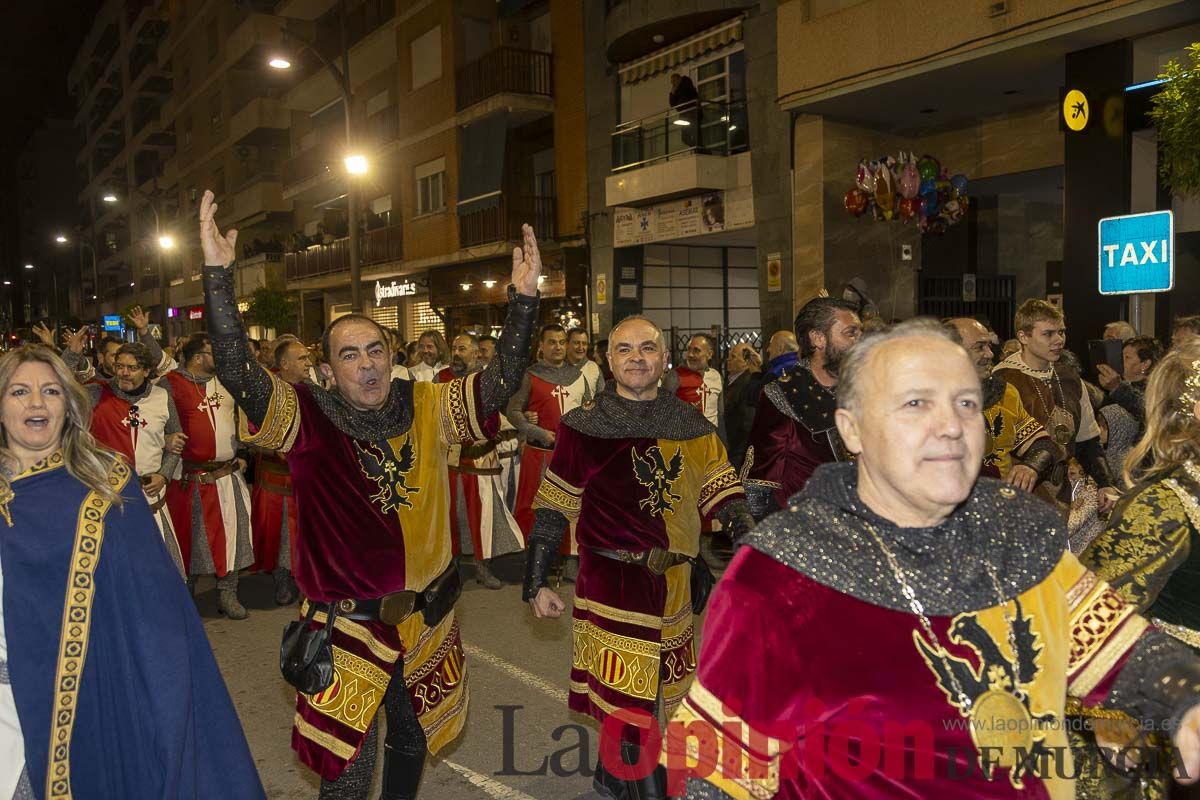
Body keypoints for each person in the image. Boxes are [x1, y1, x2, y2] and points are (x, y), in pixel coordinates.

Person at [669, 319, 1200, 799]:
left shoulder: (1014, 536)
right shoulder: (777, 577)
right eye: (915, 403)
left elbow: (1115, 647)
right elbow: (714, 775)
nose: (951, 426)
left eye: (966, 403)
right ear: (852, 428)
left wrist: (1186, 704)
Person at [197, 190, 541, 799]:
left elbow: (499, 386)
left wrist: (523, 303)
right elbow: (237, 370)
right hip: (347, 628)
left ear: (392, 355)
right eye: (349, 355)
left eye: (375, 350)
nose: (367, 366)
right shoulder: (305, 416)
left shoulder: (432, 404)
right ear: (328, 370)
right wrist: (218, 278)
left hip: (425, 619)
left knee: (411, 741)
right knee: (348, 774)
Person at [0, 346, 264, 799]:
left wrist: (169, 700)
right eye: (19, 391)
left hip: (86, 694)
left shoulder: (105, 482)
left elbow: (155, 612)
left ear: (70, 404)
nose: (36, 404)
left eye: (50, 391)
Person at [523, 315, 754, 800]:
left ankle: (613, 779)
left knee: (656, 700)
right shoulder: (585, 426)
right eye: (625, 349)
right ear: (608, 361)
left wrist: (754, 556)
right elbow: (553, 505)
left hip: (674, 586)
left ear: (663, 359)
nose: (637, 358)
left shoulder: (692, 425)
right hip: (613, 582)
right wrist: (536, 580)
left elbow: (725, 494)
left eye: (647, 348)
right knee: (635, 710)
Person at [162, 332, 256, 619]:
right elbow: (164, 425)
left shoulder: (227, 382)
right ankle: (184, 597)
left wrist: (244, 455)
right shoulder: (171, 384)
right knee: (191, 541)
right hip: (192, 479)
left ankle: (228, 593)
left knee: (234, 537)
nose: (220, 359)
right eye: (213, 353)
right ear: (198, 357)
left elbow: (242, 422)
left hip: (228, 476)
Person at [994, 299, 1116, 514]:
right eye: (1048, 334)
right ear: (1023, 336)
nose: (1059, 340)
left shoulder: (1069, 377)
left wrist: (1105, 482)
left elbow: (1088, 441)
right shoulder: (1002, 380)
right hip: (1014, 493)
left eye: (1061, 332)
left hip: (1060, 492)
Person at [744, 298, 861, 519]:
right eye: (851, 333)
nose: (860, 341)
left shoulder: (869, 388)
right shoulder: (783, 394)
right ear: (817, 338)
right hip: (805, 526)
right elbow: (758, 481)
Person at [78, 341, 187, 576]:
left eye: (132, 368)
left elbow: (175, 442)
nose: (123, 373)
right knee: (116, 569)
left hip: (151, 491)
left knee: (161, 568)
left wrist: (164, 474)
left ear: (146, 371)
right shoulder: (97, 393)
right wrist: (72, 354)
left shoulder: (161, 396)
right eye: (119, 366)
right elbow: (62, 390)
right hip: (110, 493)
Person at [437, 333, 524, 590]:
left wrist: (496, 433)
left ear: (476, 353)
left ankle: (482, 566)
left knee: (481, 517)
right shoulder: (440, 378)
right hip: (448, 460)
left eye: (462, 348)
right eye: (454, 347)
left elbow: (501, 414)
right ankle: (447, 573)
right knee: (448, 517)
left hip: (481, 458)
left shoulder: (487, 380)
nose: (456, 352)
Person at [506, 324, 591, 550]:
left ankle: (569, 558)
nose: (558, 347)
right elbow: (513, 411)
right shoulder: (530, 376)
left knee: (571, 506)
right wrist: (538, 432)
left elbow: (590, 411)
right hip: (539, 454)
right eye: (552, 342)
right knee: (536, 507)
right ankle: (538, 558)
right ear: (541, 345)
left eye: (562, 342)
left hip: (570, 455)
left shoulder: (578, 377)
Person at [945, 318, 1057, 490]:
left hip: (1000, 506)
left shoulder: (1005, 393)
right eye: (980, 347)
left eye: (989, 345)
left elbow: (1041, 444)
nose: (990, 354)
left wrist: (1031, 466)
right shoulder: (925, 403)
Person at [246, 339, 310, 606]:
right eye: (302, 359)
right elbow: (252, 432)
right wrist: (275, 448)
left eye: (308, 358)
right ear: (285, 364)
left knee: (306, 534)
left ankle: (307, 580)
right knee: (281, 533)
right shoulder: (266, 392)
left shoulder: (312, 391)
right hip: (275, 476)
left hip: (306, 479)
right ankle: (283, 579)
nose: (309, 363)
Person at [1096, 334, 1163, 428]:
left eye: (1127, 357)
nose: (1121, 360)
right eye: (1121, 356)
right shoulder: (1113, 383)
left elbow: (1146, 412)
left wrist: (1117, 388)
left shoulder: (1153, 390)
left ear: (1145, 364)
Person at [663, 333, 723, 431]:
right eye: (689, 349)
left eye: (696, 350)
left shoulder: (716, 376)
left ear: (709, 354)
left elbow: (720, 414)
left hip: (711, 440)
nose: (690, 355)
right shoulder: (675, 376)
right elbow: (663, 412)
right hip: (685, 440)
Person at [723, 342, 762, 471]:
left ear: (745, 362)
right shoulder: (732, 381)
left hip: (739, 451)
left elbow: (747, 422)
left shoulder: (747, 383)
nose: (728, 359)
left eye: (733, 356)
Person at [567, 327, 603, 397]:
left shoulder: (594, 368)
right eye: (576, 343)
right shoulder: (558, 367)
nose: (581, 347)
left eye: (584, 343)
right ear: (567, 344)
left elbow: (602, 398)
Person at [668, 72, 699, 147]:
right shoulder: (677, 89)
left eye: (674, 81)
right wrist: (672, 93)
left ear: (679, 79)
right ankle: (697, 148)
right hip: (685, 114)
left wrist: (675, 92)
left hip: (692, 114)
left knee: (693, 135)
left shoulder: (686, 84)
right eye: (672, 82)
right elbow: (672, 104)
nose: (673, 84)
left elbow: (686, 98)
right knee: (685, 138)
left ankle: (699, 149)